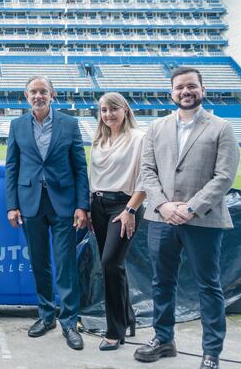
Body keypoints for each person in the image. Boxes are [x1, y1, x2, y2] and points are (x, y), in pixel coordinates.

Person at [134, 66, 240, 369]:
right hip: (161, 218)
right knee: (161, 282)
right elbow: (147, 173)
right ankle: (164, 339)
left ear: (202, 90)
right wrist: (165, 206)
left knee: (208, 285)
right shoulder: (156, 128)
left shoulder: (222, 128)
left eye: (191, 86)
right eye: (180, 87)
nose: (186, 91)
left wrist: (190, 208)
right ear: (172, 92)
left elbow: (224, 177)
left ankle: (211, 352)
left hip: (203, 220)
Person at [5, 75, 90, 350]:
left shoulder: (69, 123)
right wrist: (11, 205)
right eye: (33, 92)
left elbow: (79, 167)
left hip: (63, 203)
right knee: (39, 263)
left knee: (65, 265)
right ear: (25, 95)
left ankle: (69, 322)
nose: (38, 96)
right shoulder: (17, 125)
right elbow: (12, 168)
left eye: (43, 91)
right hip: (30, 203)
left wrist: (81, 205)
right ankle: (46, 316)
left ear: (52, 94)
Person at [89, 92, 146, 351]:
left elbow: (146, 179)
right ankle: (128, 318)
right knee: (113, 266)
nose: (108, 114)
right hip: (98, 206)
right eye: (103, 110)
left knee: (110, 262)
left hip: (123, 206)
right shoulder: (98, 140)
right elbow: (93, 176)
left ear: (125, 110)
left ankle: (114, 330)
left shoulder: (139, 138)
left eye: (113, 109)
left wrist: (131, 210)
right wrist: (90, 209)